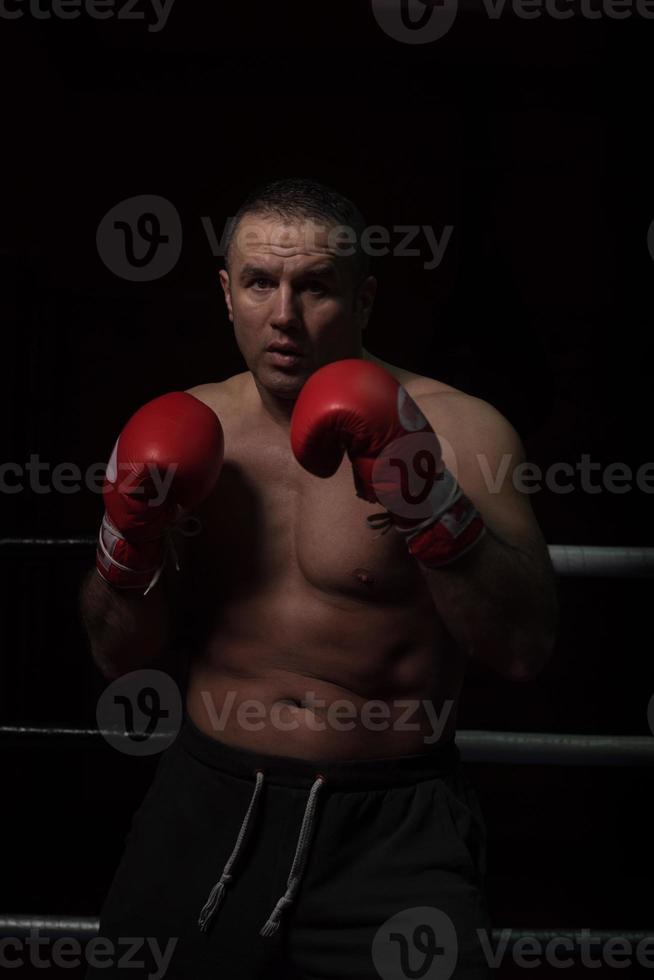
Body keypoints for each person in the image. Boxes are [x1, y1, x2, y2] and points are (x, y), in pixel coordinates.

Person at [81, 177, 558, 979]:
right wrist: (125, 541)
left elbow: (523, 647)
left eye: (316, 288)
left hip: (394, 824)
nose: (285, 317)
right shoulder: (182, 427)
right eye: (261, 284)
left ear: (365, 298)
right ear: (226, 294)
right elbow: (114, 655)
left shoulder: (464, 429)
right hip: (206, 803)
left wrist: (430, 503)